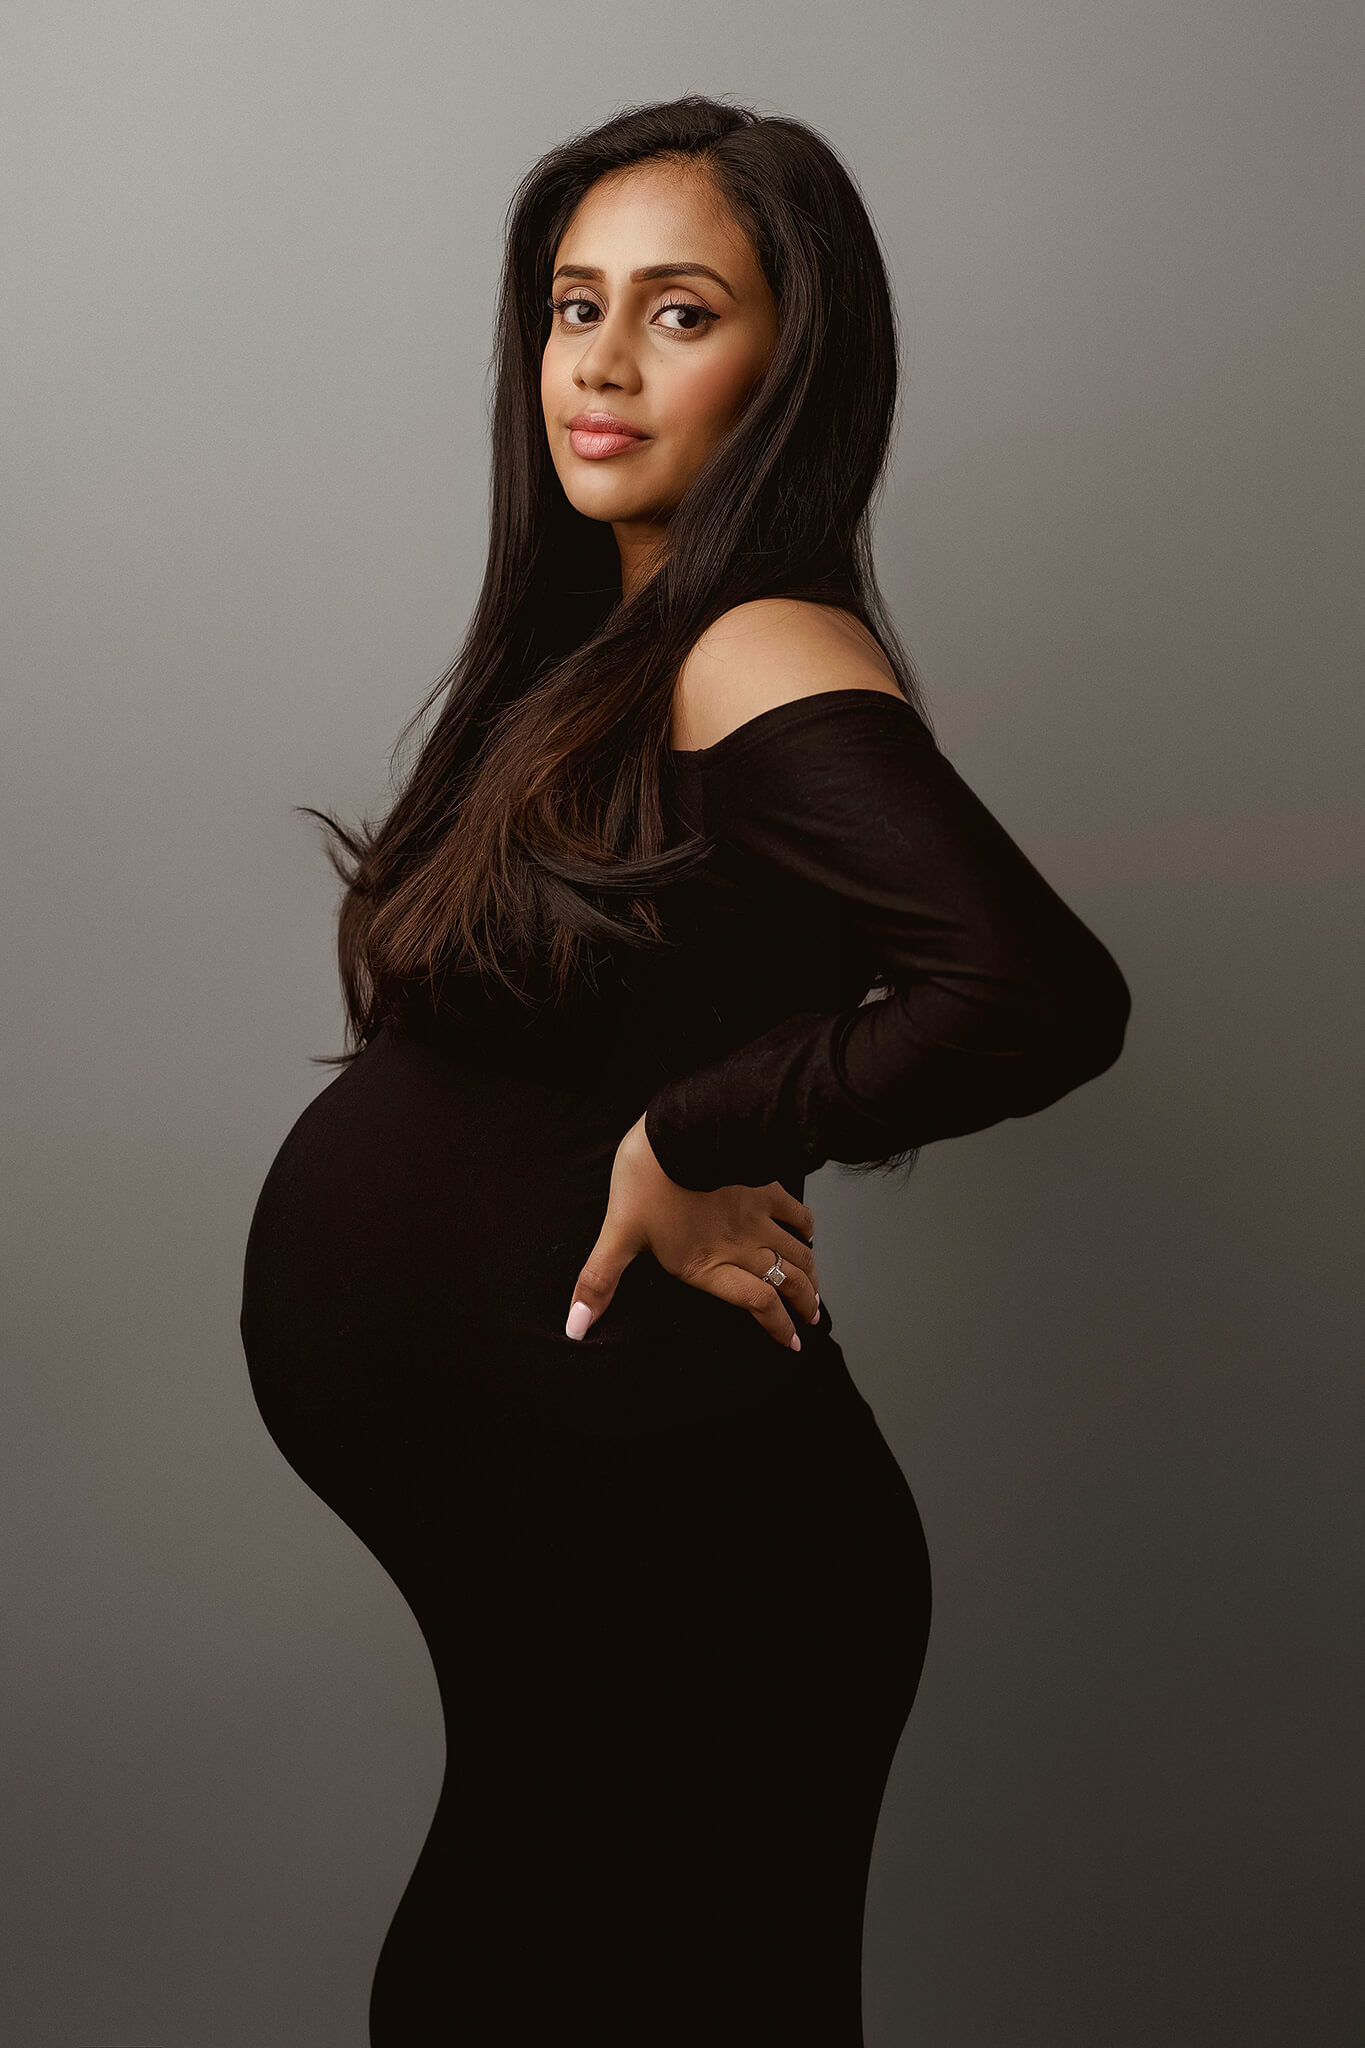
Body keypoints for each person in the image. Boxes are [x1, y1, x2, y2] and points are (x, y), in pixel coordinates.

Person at [239, 95, 1131, 2047]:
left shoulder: (754, 639)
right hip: (592, 1550)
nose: (602, 363)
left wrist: (692, 1128)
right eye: (574, 306)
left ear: (788, 360)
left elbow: (1034, 990)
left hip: (704, 1568)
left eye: (678, 310)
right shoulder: (609, 649)